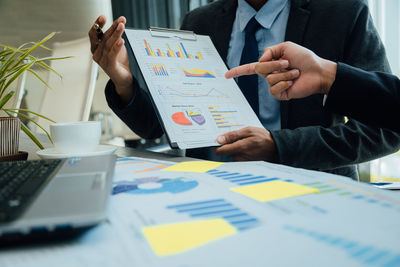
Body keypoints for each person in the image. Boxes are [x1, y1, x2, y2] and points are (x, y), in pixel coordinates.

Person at [89, 0, 400, 180]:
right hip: (211, 189)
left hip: (312, 189)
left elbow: (384, 131)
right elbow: (160, 125)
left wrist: (280, 147)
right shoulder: (199, 20)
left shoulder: (343, 12)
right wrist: (124, 81)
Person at [224, 41, 400, 132]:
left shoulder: (345, 8)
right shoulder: (203, 18)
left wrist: (281, 146)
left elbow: (383, 135)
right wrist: (324, 76)